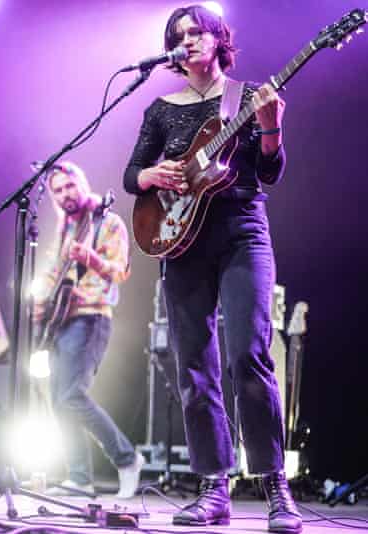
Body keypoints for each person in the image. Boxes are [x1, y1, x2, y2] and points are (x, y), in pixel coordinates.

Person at [123, 5, 300, 533]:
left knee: (249, 356)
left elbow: (269, 172)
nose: (188, 40)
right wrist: (153, 173)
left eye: (196, 31)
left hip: (242, 232)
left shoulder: (244, 98)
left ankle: (274, 487)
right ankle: (213, 489)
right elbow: (133, 176)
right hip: (181, 242)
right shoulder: (160, 108)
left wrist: (271, 130)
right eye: (178, 35)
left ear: (218, 38)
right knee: (194, 369)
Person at [34, 161, 143, 499]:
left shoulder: (107, 222)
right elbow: (54, 271)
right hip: (62, 321)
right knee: (57, 399)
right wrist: (39, 299)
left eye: (69, 186)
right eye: (58, 190)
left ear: (81, 184)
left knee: (71, 395)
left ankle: (127, 458)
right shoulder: (65, 228)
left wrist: (91, 258)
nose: (65, 194)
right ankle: (79, 477)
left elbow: (120, 270)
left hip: (92, 317)